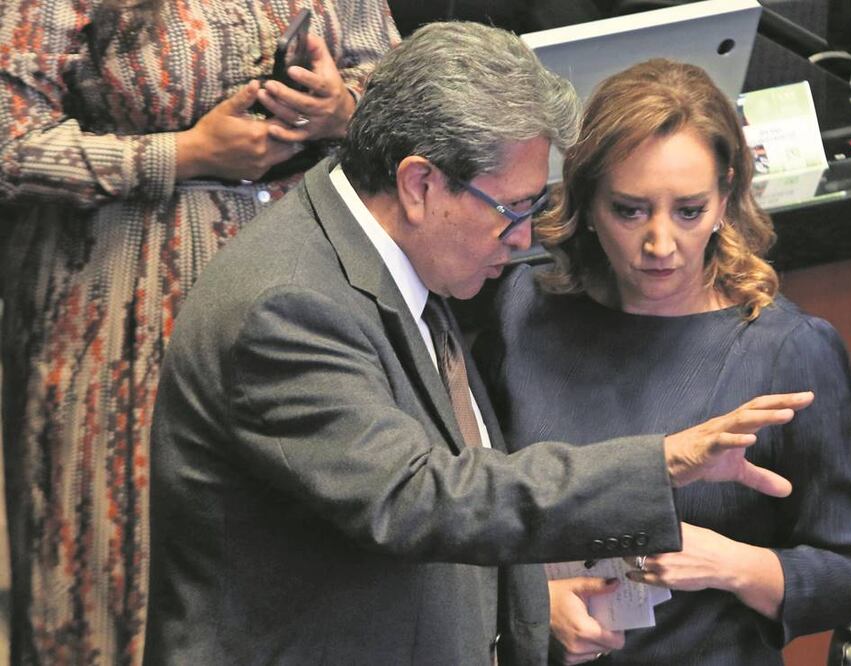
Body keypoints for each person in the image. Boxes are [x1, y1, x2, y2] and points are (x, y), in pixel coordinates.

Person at [145, 22, 816, 665]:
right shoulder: (288, 309)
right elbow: (420, 497)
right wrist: (660, 465)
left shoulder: (402, 258)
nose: (525, 237)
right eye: (514, 208)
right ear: (420, 183)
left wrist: (530, 609)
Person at [0, 1, 397, 663]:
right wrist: (182, 154)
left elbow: (396, 80)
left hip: (304, 286)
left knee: (302, 539)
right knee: (125, 566)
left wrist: (341, 107)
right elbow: (11, 148)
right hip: (120, 310)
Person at [475, 59, 851, 665]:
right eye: (630, 210)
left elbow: (849, 579)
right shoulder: (520, 308)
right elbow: (464, 508)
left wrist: (733, 564)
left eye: (689, 211)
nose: (660, 245)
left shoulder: (787, 349)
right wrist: (532, 602)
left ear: (726, 197)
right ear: (585, 201)